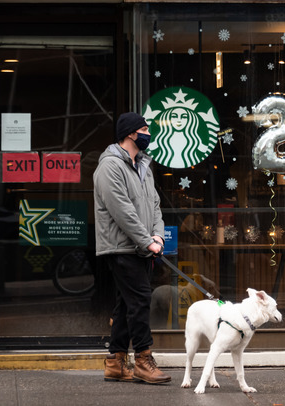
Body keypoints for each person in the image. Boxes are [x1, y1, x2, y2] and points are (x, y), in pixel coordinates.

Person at [93, 112, 171, 384]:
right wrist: (146, 240)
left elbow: (155, 206)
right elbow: (122, 211)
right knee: (140, 301)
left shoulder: (143, 166)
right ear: (130, 134)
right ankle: (143, 359)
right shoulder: (110, 167)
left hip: (141, 248)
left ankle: (115, 362)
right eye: (145, 129)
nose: (149, 134)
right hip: (121, 248)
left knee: (126, 304)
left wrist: (158, 237)